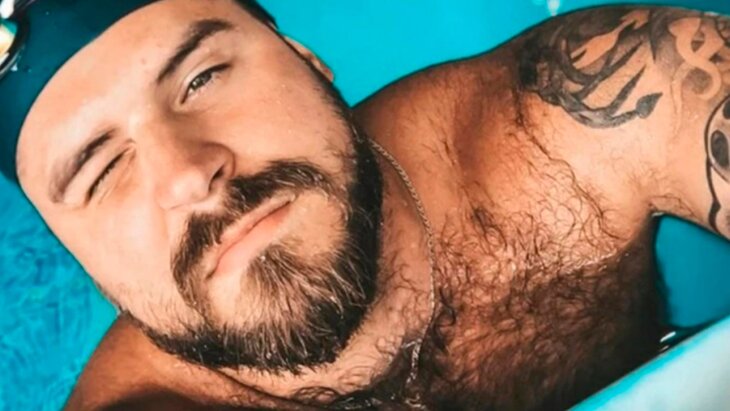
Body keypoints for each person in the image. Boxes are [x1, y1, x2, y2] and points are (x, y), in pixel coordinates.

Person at [1, 0, 729, 409]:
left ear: (310, 63)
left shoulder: (585, 104)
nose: (189, 175)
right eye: (100, 170)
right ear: (84, 262)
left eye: (202, 78)